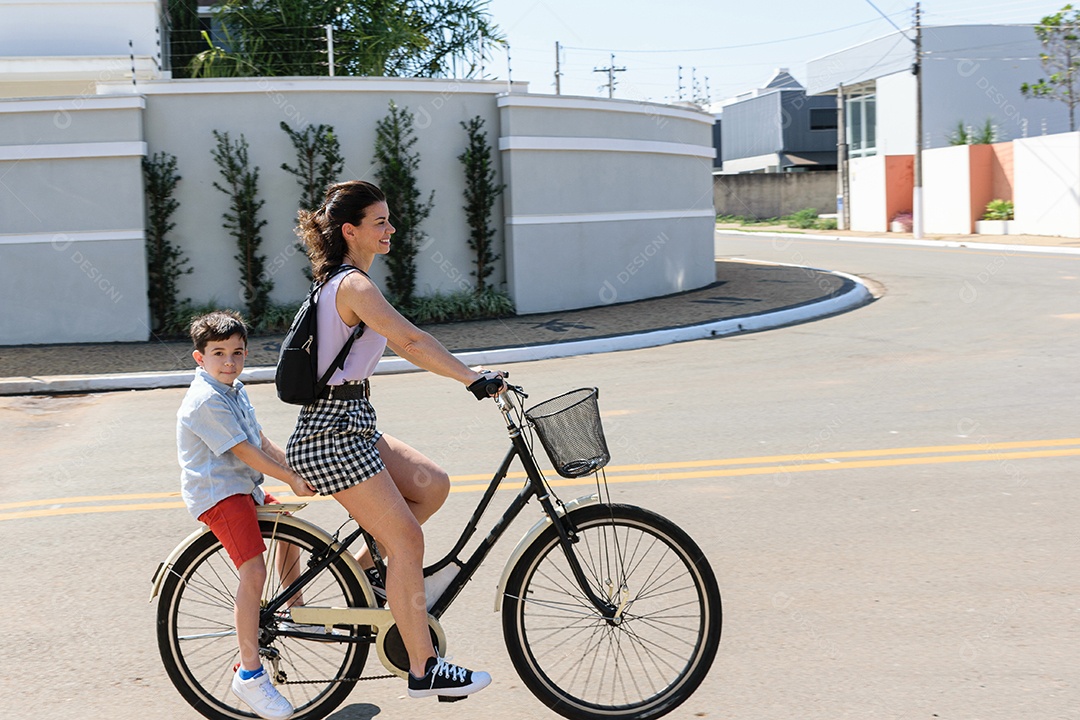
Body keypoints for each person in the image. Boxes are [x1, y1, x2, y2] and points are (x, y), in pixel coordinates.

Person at [286, 180, 503, 699]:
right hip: (332, 433)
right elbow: (410, 340)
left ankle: (366, 577)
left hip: (354, 421)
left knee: (432, 486)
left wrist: (470, 375)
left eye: (389, 220)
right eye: (379, 221)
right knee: (407, 539)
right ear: (350, 231)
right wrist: (471, 378)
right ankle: (424, 669)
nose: (391, 228)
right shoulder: (353, 286)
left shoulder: (349, 282)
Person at [177, 310, 317, 720]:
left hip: (244, 487)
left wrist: (297, 468)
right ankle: (250, 674)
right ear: (199, 358)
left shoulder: (234, 389)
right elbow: (244, 452)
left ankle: (294, 606)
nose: (229, 362)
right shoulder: (205, 400)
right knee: (253, 571)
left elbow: (259, 441)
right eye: (218, 354)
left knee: (289, 527)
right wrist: (289, 477)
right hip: (220, 493)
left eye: (237, 353)